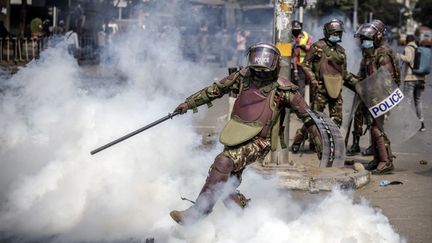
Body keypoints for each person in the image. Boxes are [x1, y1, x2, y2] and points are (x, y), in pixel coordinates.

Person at [169, 43, 323, 225]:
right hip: (237, 134)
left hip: (260, 141)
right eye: (256, 69)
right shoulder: (243, 77)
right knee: (225, 184)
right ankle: (248, 220)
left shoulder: (284, 89)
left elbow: (309, 118)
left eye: (263, 70)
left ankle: (197, 214)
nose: (259, 74)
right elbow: (215, 90)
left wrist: (321, 146)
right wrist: (189, 104)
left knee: (223, 162)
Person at [290, 19, 359, 153]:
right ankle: (299, 138)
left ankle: (327, 145)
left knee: (337, 120)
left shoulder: (341, 51)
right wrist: (313, 79)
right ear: (327, 33)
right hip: (320, 89)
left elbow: (344, 73)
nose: (337, 36)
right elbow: (305, 64)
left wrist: (358, 84)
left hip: (335, 88)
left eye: (339, 33)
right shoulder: (317, 47)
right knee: (315, 119)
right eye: (335, 33)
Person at [354, 19, 401, 174]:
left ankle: (386, 161)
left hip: (382, 97)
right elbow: (364, 75)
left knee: (376, 129)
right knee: (373, 127)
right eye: (363, 39)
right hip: (371, 96)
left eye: (367, 39)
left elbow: (387, 79)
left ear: (378, 37)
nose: (364, 42)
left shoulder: (383, 52)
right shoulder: (370, 53)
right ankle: (377, 158)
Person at [398, 35, 427, 131]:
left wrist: (399, 56)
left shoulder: (408, 48)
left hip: (410, 78)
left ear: (407, 41)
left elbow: (408, 59)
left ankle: (407, 124)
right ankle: (421, 124)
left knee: (407, 101)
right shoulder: (420, 49)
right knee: (418, 101)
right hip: (420, 79)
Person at [291, 20, 313, 97]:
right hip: (288, 66)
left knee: (300, 88)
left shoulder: (306, 36)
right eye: (294, 29)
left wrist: (302, 46)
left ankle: (298, 106)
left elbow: (310, 47)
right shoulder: (287, 35)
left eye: (297, 29)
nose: (295, 32)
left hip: (301, 65)